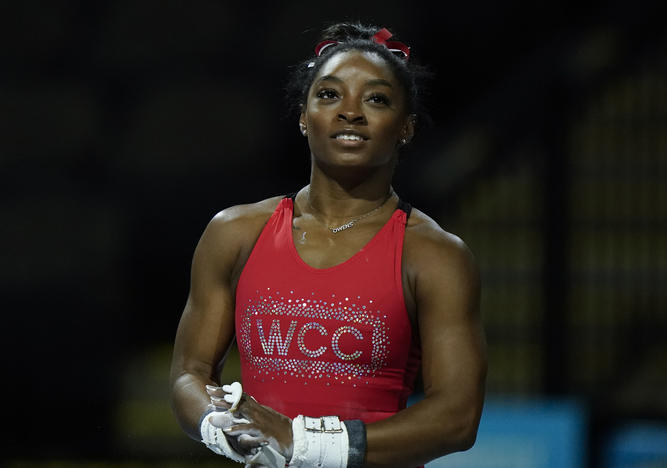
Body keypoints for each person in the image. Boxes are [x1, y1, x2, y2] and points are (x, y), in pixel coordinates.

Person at [170, 22, 487, 468]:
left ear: (406, 127)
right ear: (304, 116)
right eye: (329, 95)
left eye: (376, 99)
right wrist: (218, 425)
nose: (350, 113)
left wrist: (303, 441)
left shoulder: (435, 256)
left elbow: (457, 420)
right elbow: (190, 373)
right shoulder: (234, 233)